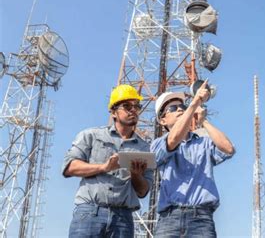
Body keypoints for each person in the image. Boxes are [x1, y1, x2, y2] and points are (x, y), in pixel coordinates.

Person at [62, 84, 153, 238]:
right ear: (113, 112)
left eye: (137, 107)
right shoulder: (91, 135)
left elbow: (143, 191)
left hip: (123, 219)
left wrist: (136, 175)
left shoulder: (145, 149)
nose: (133, 110)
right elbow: (70, 167)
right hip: (89, 213)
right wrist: (104, 167)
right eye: (127, 106)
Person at [152, 80, 235, 237]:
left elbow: (228, 149)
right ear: (162, 120)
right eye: (172, 108)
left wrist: (203, 121)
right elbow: (173, 140)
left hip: (201, 219)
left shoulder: (204, 142)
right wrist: (194, 102)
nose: (179, 110)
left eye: (182, 106)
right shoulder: (157, 144)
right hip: (170, 218)